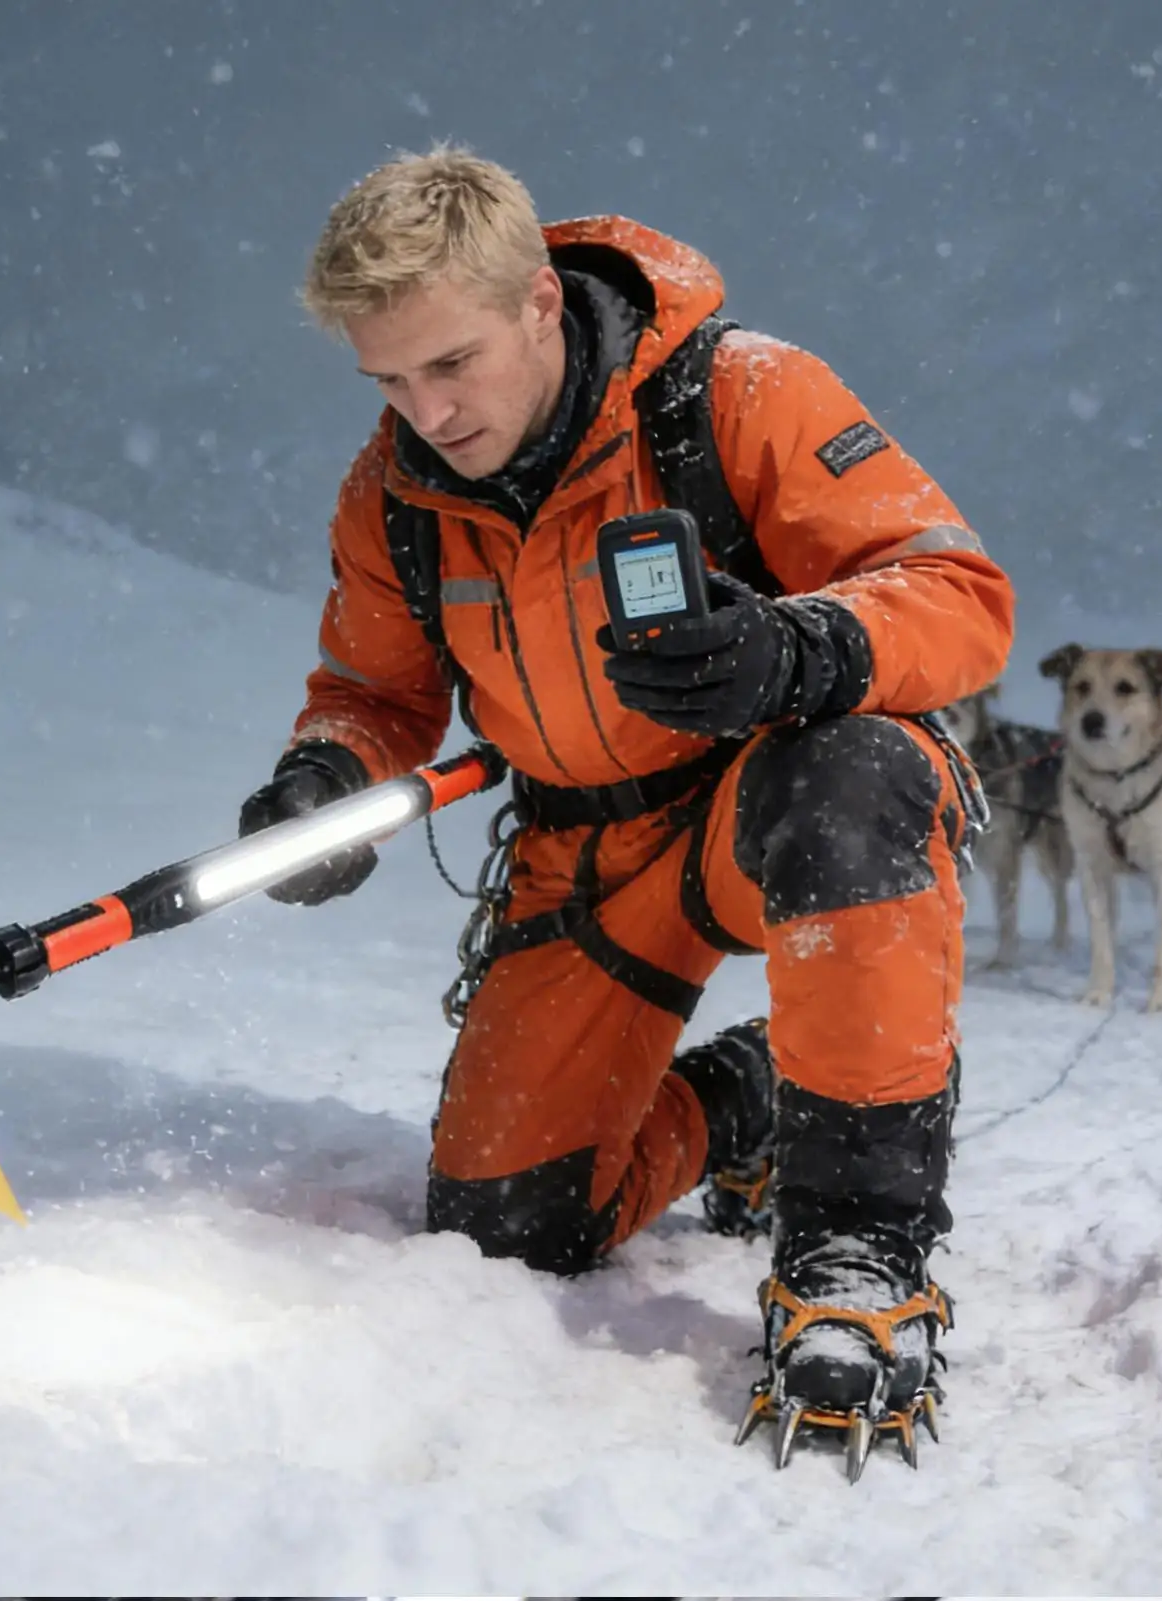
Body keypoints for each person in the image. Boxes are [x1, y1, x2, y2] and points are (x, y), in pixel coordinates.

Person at [238, 145, 1014, 1465]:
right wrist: (326, 784)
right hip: (582, 855)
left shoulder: (744, 395)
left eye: (451, 363)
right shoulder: (393, 498)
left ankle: (856, 1248)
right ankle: (752, 1099)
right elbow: (373, 695)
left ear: (541, 299)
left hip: (763, 796)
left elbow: (958, 595)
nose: (426, 410)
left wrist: (800, 647)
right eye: (389, 379)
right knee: (510, 1231)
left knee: (857, 773)